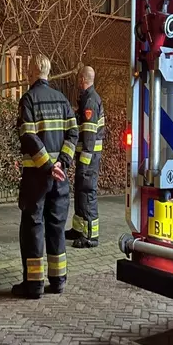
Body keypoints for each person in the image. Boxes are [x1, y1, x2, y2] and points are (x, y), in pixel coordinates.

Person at [13, 54, 79, 299]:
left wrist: (48, 165)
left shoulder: (29, 99)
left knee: (33, 227)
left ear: (32, 72)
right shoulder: (62, 100)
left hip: (36, 177)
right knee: (57, 226)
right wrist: (63, 162)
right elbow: (74, 133)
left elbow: (28, 136)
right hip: (60, 178)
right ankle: (58, 280)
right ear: (48, 72)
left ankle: (34, 285)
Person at [66, 66, 105, 249]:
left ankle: (90, 236)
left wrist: (83, 161)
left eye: (78, 79)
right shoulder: (87, 99)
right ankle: (78, 229)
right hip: (86, 156)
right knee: (81, 191)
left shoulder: (90, 101)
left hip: (88, 157)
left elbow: (89, 135)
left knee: (87, 192)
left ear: (83, 79)